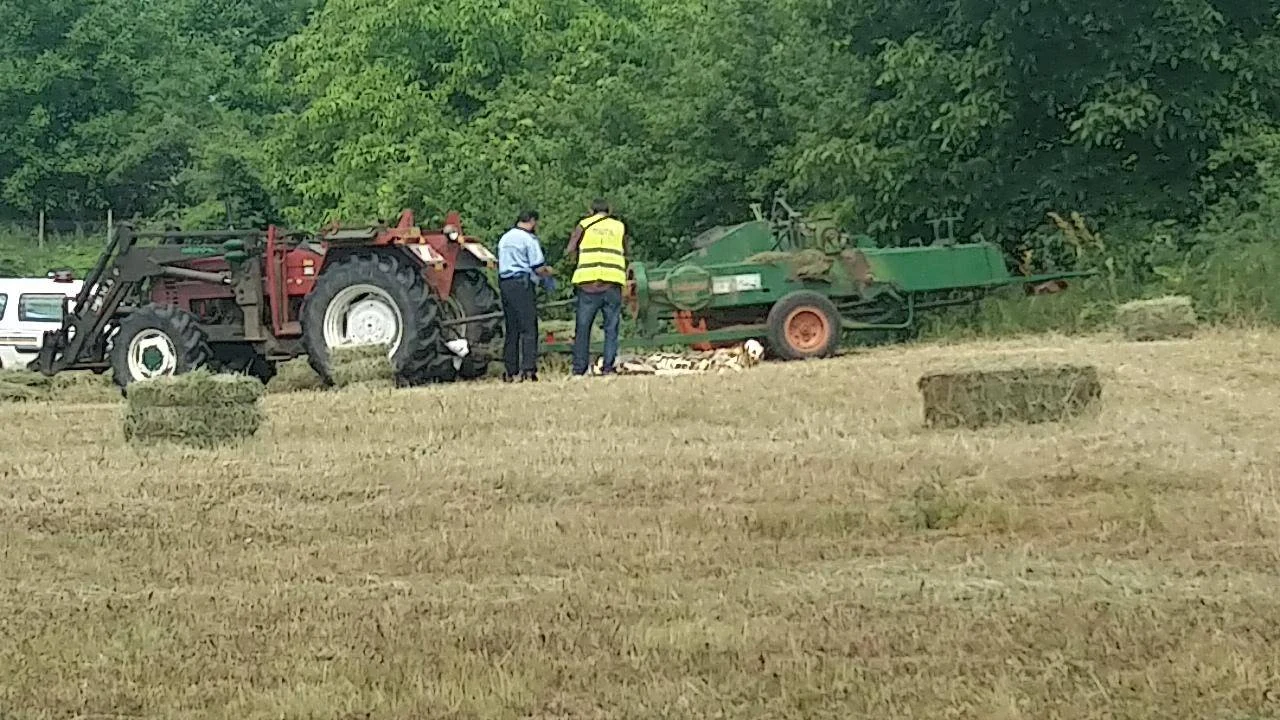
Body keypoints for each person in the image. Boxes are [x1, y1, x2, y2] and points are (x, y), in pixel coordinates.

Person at [565, 198, 628, 377]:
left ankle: (579, 369)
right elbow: (625, 251)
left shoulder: (583, 225)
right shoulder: (619, 226)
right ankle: (608, 367)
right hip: (612, 282)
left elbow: (570, 250)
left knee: (583, 327)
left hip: (588, 284)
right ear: (609, 210)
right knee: (611, 327)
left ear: (590, 210)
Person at [497, 210, 555, 382]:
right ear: (531, 221)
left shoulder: (505, 238)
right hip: (522, 284)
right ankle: (528, 370)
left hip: (505, 283)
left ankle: (510, 370)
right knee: (528, 328)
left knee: (511, 329)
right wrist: (549, 273)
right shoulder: (528, 240)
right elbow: (537, 266)